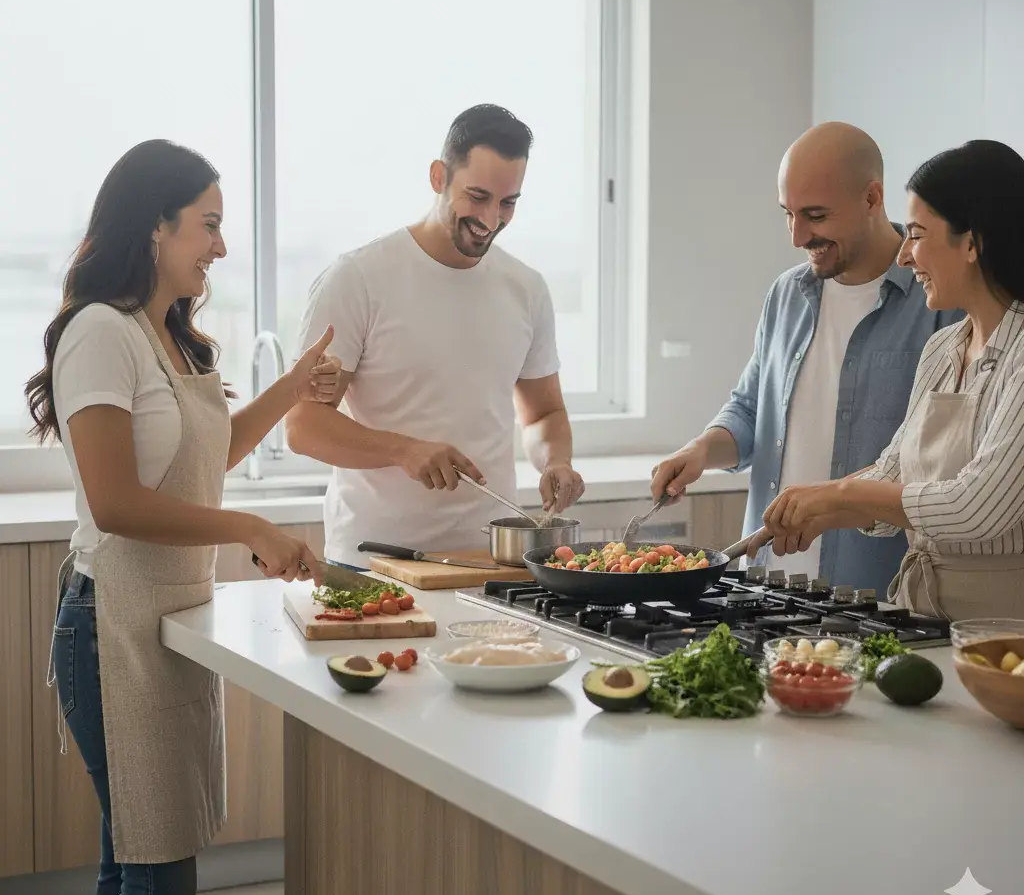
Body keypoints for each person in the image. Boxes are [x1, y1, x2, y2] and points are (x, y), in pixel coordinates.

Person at [24, 138, 341, 895]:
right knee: (162, 881)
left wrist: (296, 386)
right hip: (110, 628)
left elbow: (208, 456)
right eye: (209, 225)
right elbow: (117, 501)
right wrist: (250, 528)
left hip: (164, 623)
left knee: (128, 860)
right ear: (155, 228)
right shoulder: (101, 332)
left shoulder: (164, 332)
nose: (222, 247)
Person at [650, 122, 962, 593]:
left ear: (872, 198)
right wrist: (700, 451)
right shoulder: (786, 294)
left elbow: (938, 463)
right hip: (764, 585)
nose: (797, 236)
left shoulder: (939, 306)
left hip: (873, 593)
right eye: (788, 214)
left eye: (815, 215)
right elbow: (751, 410)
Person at [286, 104, 585, 566]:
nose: (491, 218)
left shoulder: (526, 288)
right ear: (438, 176)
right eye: (478, 196)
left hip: (488, 559)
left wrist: (556, 462)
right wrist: (403, 450)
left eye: (508, 203)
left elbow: (544, 412)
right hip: (375, 560)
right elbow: (304, 426)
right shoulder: (360, 277)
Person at [758, 139, 1024, 620]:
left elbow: (978, 507)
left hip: (1002, 631)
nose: (904, 256)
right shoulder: (943, 350)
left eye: (918, 234)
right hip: (922, 614)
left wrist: (836, 495)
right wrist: (817, 511)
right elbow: (896, 472)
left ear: (971, 242)